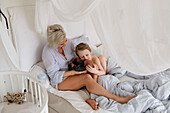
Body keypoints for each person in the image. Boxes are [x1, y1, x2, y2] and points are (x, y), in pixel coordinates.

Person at [42, 24, 135, 110]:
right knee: (86, 78)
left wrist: (90, 61)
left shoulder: (69, 43)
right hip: (61, 80)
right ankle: (117, 98)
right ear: (54, 44)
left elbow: (79, 55)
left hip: (75, 69)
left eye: (65, 40)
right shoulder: (48, 53)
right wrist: (75, 72)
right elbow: (54, 76)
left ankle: (92, 98)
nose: (65, 44)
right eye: (62, 44)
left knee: (91, 71)